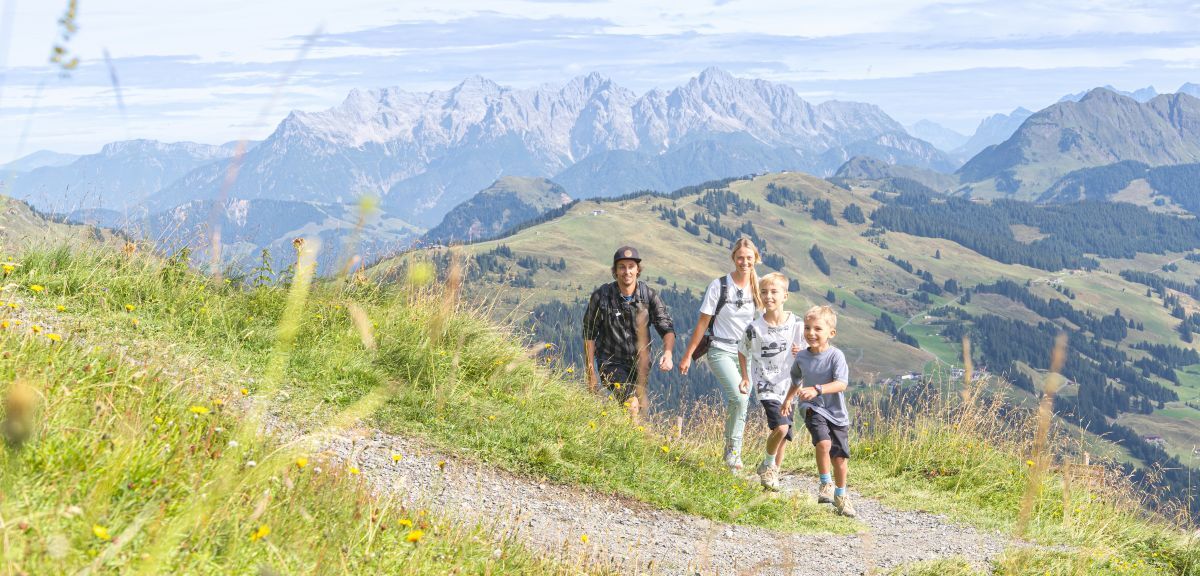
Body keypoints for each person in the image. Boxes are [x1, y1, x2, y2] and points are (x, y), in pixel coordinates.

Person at [679, 238, 762, 473]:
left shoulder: (759, 286)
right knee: (740, 397)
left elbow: (769, 321)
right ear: (733, 258)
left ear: (756, 258)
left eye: (749, 258)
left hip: (747, 353)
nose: (744, 262)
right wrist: (688, 355)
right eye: (740, 257)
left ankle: (732, 451)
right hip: (721, 349)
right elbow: (702, 323)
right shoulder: (719, 286)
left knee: (740, 401)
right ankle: (733, 454)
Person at [582, 245, 676, 419]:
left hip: (640, 365)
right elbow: (589, 334)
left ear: (638, 270)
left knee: (634, 409)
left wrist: (668, 353)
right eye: (622, 267)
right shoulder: (601, 297)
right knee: (631, 404)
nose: (627, 271)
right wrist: (591, 373)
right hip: (610, 362)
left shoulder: (648, 296)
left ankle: (621, 438)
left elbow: (666, 327)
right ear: (615, 271)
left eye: (631, 266)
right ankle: (633, 445)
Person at [783, 305, 855, 517]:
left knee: (840, 460)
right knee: (823, 442)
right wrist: (788, 399)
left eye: (817, 329)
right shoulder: (802, 357)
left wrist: (818, 389)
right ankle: (826, 484)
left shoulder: (836, 356)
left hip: (836, 412)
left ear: (831, 333)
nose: (810, 333)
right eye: (807, 328)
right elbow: (796, 380)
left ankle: (841, 495)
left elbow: (841, 384)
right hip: (812, 408)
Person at [737, 272, 803, 491]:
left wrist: (802, 351)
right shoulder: (754, 328)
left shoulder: (797, 325)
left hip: (789, 386)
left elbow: (812, 351)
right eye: (764, 292)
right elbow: (742, 350)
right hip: (766, 385)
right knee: (781, 428)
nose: (769, 296)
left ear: (785, 295)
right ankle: (767, 465)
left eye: (774, 292)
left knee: (783, 434)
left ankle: (773, 473)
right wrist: (745, 377)